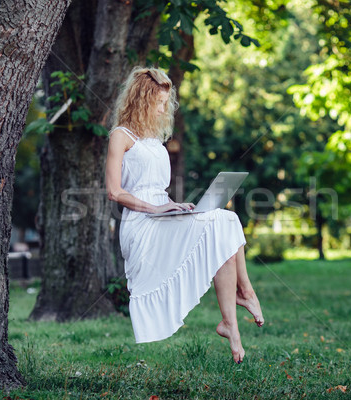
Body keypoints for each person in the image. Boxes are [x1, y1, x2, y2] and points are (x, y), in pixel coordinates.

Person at [105, 67, 264, 363]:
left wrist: (175, 206)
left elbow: (155, 189)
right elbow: (115, 192)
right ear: (141, 100)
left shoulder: (155, 140)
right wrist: (156, 208)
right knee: (221, 223)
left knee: (226, 220)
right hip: (141, 226)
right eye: (159, 102)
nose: (164, 109)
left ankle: (232, 320)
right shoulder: (121, 136)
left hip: (162, 216)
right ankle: (244, 294)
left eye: (166, 102)